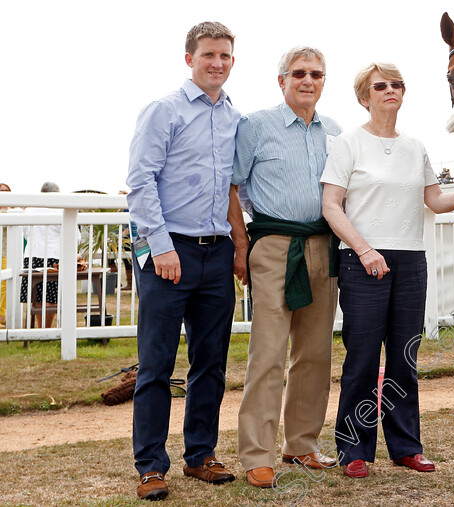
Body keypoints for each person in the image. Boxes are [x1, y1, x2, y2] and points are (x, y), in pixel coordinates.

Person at [321, 62, 454, 479]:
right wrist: (364, 250)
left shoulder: (415, 146)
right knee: (362, 359)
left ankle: (405, 446)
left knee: (404, 360)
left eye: (396, 84)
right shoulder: (347, 143)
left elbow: (434, 201)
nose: (390, 90)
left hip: (410, 261)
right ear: (364, 96)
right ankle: (354, 450)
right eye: (380, 85)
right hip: (363, 261)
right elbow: (331, 206)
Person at [126, 21, 242, 501]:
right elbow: (140, 181)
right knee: (155, 364)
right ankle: (151, 466)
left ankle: (200, 455)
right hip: (167, 252)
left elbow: (237, 189)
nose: (217, 63)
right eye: (209, 54)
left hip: (217, 254)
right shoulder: (164, 110)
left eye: (226, 56)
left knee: (210, 363)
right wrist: (160, 246)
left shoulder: (237, 117)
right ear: (189, 58)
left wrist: (240, 245)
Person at [230, 46, 341, 489]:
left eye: (316, 73)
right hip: (274, 246)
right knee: (269, 352)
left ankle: (302, 445)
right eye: (298, 73)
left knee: (315, 353)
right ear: (282, 80)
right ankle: (257, 454)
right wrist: (241, 244)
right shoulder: (255, 126)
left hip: (323, 246)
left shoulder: (334, 131)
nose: (307, 81)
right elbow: (232, 186)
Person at [19, 182, 80, 328]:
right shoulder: (62, 210)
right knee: (51, 294)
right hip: (55, 256)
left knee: (37, 295)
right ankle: (46, 328)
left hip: (33, 255)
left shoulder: (30, 211)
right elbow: (75, 237)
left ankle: (41, 328)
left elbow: (26, 232)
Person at [1, 183, 11, 327]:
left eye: (6, 191)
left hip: (6, 252)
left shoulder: (12, 211)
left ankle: (2, 315)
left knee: (4, 284)